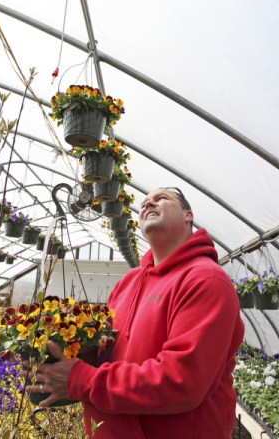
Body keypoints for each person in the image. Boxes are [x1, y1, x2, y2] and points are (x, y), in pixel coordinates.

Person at [21, 187, 245, 438]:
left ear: (187, 216)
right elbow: (105, 349)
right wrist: (53, 356)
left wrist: (82, 380)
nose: (149, 203)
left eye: (161, 199)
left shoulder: (205, 280)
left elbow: (180, 382)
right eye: (145, 203)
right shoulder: (128, 282)